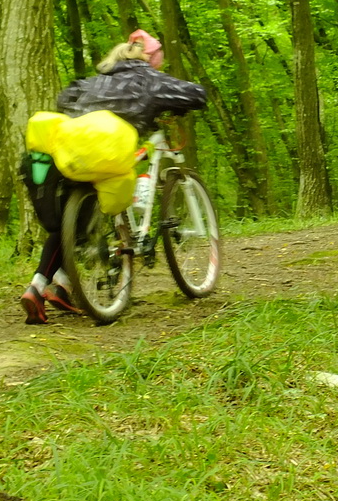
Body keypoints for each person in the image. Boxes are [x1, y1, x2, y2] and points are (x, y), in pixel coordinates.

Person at [20, 30, 207, 324]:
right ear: (148, 59)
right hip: (110, 153)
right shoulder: (148, 78)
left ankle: (44, 285)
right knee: (111, 189)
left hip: (74, 153)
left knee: (73, 220)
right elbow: (195, 93)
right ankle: (61, 284)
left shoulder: (92, 81)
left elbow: (64, 99)